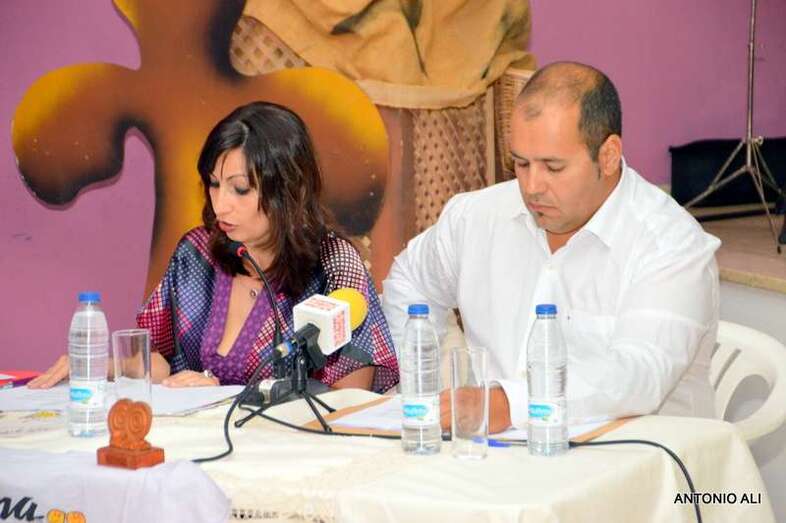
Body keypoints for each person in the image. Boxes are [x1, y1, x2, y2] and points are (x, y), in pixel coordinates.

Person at [381, 61, 720, 433]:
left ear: (608, 155)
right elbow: (409, 283)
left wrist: (508, 404)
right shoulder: (477, 216)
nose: (532, 187)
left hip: (641, 458)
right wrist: (429, 383)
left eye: (553, 167)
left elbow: (640, 375)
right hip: (497, 457)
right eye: (521, 164)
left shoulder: (671, 244)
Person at [29, 101, 399, 392]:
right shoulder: (196, 253)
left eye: (240, 189)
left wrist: (225, 396)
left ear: (290, 190)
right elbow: (161, 362)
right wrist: (96, 366)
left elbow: (351, 399)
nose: (220, 206)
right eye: (213, 184)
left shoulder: (335, 264)